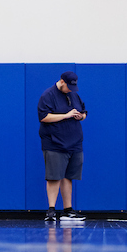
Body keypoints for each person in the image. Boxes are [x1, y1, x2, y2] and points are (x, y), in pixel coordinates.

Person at [38, 71, 87, 224]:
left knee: (68, 176)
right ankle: (51, 210)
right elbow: (44, 117)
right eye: (68, 87)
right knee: (54, 176)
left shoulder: (74, 95)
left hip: (74, 142)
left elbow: (84, 112)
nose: (70, 90)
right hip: (55, 142)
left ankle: (68, 210)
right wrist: (66, 115)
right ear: (62, 82)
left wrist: (80, 116)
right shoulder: (48, 95)